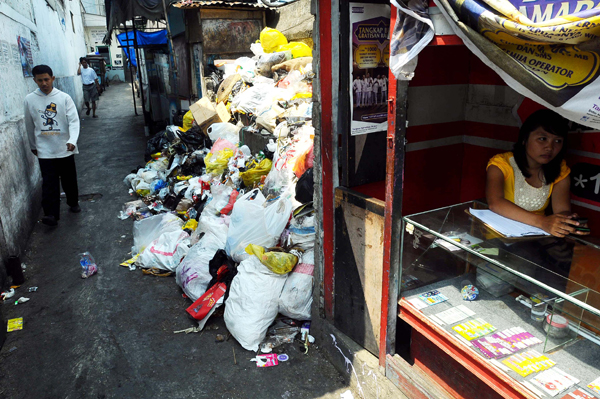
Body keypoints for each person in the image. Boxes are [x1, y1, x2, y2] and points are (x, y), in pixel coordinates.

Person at [486, 109, 588, 238]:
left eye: (557, 141)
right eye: (542, 139)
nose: (550, 147)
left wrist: (570, 222)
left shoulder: (560, 170)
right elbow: (495, 203)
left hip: (535, 239)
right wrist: (542, 222)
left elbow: (562, 210)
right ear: (524, 139)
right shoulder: (501, 164)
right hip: (498, 236)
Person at [25, 65, 80, 226]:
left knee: (69, 179)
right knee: (49, 182)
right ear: (34, 80)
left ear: (53, 78)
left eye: (46, 79)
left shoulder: (64, 98)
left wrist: (72, 140)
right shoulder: (29, 99)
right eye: (40, 80)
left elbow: (74, 122)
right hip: (44, 149)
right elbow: (29, 125)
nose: (44, 83)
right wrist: (33, 144)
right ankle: (51, 214)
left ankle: (73, 202)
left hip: (64, 147)